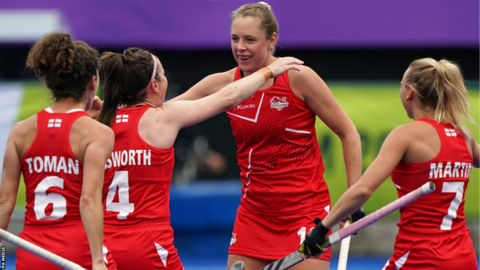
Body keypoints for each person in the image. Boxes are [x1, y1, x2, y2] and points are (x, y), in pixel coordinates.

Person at [170, 2, 363, 269]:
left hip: (304, 213)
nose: (240, 47)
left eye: (250, 40)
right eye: (235, 39)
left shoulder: (299, 78)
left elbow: (348, 132)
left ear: (271, 40)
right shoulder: (223, 84)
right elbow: (166, 113)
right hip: (254, 216)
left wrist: (353, 199)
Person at [96, 47, 303, 270]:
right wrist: (268, 71)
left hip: (103, 247)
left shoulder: (99, 123)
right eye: (163, 75)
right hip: (149, 245)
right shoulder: (162, 119)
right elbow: (228, 97)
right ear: (155, 86)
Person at [300, 58, 479, 269]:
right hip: (464, 258)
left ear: (409, 92)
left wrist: (322, 227)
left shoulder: (406, 135)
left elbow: (363, 190)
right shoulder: (464, 136)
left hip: (420, 257)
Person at [0, 32, 117, 270]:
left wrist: (1, 258)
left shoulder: (20, 131)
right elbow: (88, 199)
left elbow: (4, 201)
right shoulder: (97, 133)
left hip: (33, 254)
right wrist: (97, 261)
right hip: (80, 252)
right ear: (93, 83)